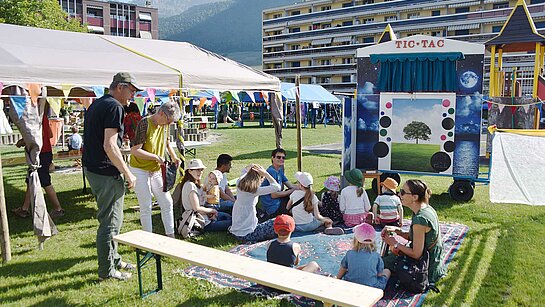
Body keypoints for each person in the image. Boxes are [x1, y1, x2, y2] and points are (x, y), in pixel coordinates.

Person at [83, 72, 139, 281]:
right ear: (119, 87)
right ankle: (107, 271)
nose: (132, 96)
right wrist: (128, 172)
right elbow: (109, 145)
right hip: (106, 173)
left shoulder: (98, 103)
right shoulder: (115, 106)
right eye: (131, 90)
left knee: (113, 219)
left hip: (94, 169)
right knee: (110, 223)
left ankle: (114, 259)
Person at [129, 101, 181, 238]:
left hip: (156, 169)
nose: (169, 124)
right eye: (168, 121)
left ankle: (171, 237)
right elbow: (135, 151)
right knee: (146, 205)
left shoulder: (165, 125)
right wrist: (156, 157)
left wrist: (174, 157)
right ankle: (148, 240)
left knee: (167, 202)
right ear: (161, 113)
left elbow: (167, 143)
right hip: (139, 169)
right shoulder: (144, 123)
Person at [381, 179, 446, 285]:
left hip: (426, 267)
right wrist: (398, 231)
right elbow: (417, 238)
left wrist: (395, 243)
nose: (399, 194)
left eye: (403, 192)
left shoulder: (420, 219)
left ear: (415, 197)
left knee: (382, 262)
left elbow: (416, 254)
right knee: (388, 256)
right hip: (432, 259)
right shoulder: (425, 209)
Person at [12, 107, 65, 219]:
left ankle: (58, 209)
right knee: (31, 179)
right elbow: (49, 135)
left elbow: (35, 137)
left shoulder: (34, 118)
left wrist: (22, 142)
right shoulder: (43, 116)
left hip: (40, 153)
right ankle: (24, 209)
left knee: (44, 181)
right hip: (45, 152)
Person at [229, 164, 280, 243]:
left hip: (235, 232)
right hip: (248, 234)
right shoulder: (255, 190)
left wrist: (250, 167)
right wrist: (266, 174)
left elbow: (244, 171)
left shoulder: (239, 183)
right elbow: (277, 187)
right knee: (277, 222)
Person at [180, 159, 232, 232]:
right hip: (201, 221)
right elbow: (196, 209)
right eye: (197, 170)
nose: (200, 172)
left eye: (201, 170)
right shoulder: (190, 185)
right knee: (232, 222)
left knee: (228, 217)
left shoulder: (195, 183)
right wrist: (213, 210)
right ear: (190, 171)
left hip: (206, 216)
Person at [337, 223, 390, 290]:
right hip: (372, 288)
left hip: (351, 285)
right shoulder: (376, 255)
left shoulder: (349, 253)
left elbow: (343, 268)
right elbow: (379, 274)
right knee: (387, 271)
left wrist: (337, 279)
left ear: (355, 240)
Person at [259, 148, 298, 219]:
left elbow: (290, 185)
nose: (281, 159)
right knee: (297, 200)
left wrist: (304, 188)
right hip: (273, 207)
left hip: (278, 201)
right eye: (278, 157)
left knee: (297, 196)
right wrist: (292, 191)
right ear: (272, 158)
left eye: (283, 157)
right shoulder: (272, 172)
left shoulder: (279, 170)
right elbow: (274, 195)